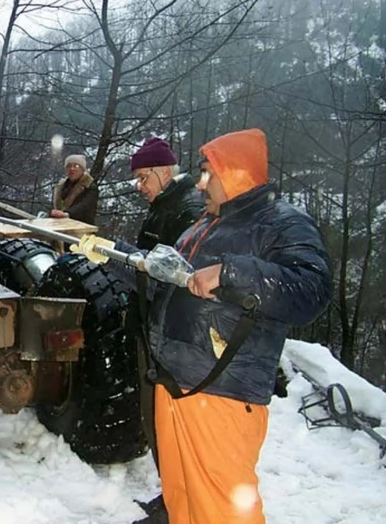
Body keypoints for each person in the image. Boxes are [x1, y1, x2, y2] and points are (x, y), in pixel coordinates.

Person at [71, 128, 332, 524]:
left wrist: (230, 272)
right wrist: (111, 254)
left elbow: (311, 289)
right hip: (176, 383)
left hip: (222, 392)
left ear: (238, 174)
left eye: (209, 172)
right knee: (183, 502)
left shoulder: (281, 222)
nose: (200, 182)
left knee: (222, 510)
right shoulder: (205, 224)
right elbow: (163, 274)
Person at [127, 137, 205, 471]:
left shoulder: (186, 210)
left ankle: (178, 503)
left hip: (172, 334)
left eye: (143, 177)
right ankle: (172, 497)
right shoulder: (166, 205)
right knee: (157, 417)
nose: (139, 186)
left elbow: (176, 278)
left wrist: (123, 262)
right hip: (157, 327)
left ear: (162, 172)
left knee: (171, 422)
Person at [50, 154, 99, 225]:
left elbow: (84, 206)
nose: (72, 169)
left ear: (82, 169)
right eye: (69, 166)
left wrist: (67, 214)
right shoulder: (61, 186)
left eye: (76, 166)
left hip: (83, 228)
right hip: (61, 225)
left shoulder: (90, 187)